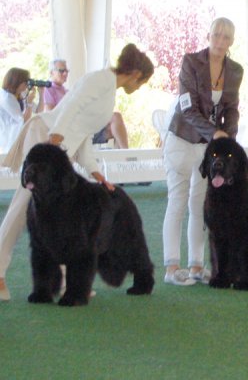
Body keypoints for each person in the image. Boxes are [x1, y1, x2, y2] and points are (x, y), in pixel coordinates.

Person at [0, 44, 154, 301]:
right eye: (143, 82)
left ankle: (65, 285)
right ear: (136, 74)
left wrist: (95, 172)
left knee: (61, 215)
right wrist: (56, 136)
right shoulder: (99, 80)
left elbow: (82, 134)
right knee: (23, 205)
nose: (140, 87)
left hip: (61, 147)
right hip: (46, 137)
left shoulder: (109, 90)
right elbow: (72, 106)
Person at [162, 17, 243, 286]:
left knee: (200, 206)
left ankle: (197, 265)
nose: (220, 41)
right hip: (181, 141)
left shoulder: (235, 70)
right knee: (177, 202)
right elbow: (188, 108)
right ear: (209, 35)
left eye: (226, 37)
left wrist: (228, 137)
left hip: (207, 149)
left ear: (231, 41)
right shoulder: (191, 62)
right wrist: (214, 133)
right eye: (216, 35)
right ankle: (172, 267)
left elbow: (231, 107)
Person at [41, 59, 130, 148]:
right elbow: (50, 114)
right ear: (51, 73)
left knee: (115, 123)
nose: (65, 73)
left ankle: (123, 156)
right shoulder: (49, 89)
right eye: (61, 71)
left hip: (83, 127)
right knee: (115, 117)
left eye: (66, 71)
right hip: (70, 132)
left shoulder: (66, 91)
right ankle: (126, 156)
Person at [0, 68, 37, 153]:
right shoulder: (6, 98)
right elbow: (23, 120)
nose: (27, 85)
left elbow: (38, 110)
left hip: (20, 137)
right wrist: (29, 103)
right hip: (10, 139)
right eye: (25, 82)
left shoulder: (21, 93)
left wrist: (41, 93)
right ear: (16, 81)